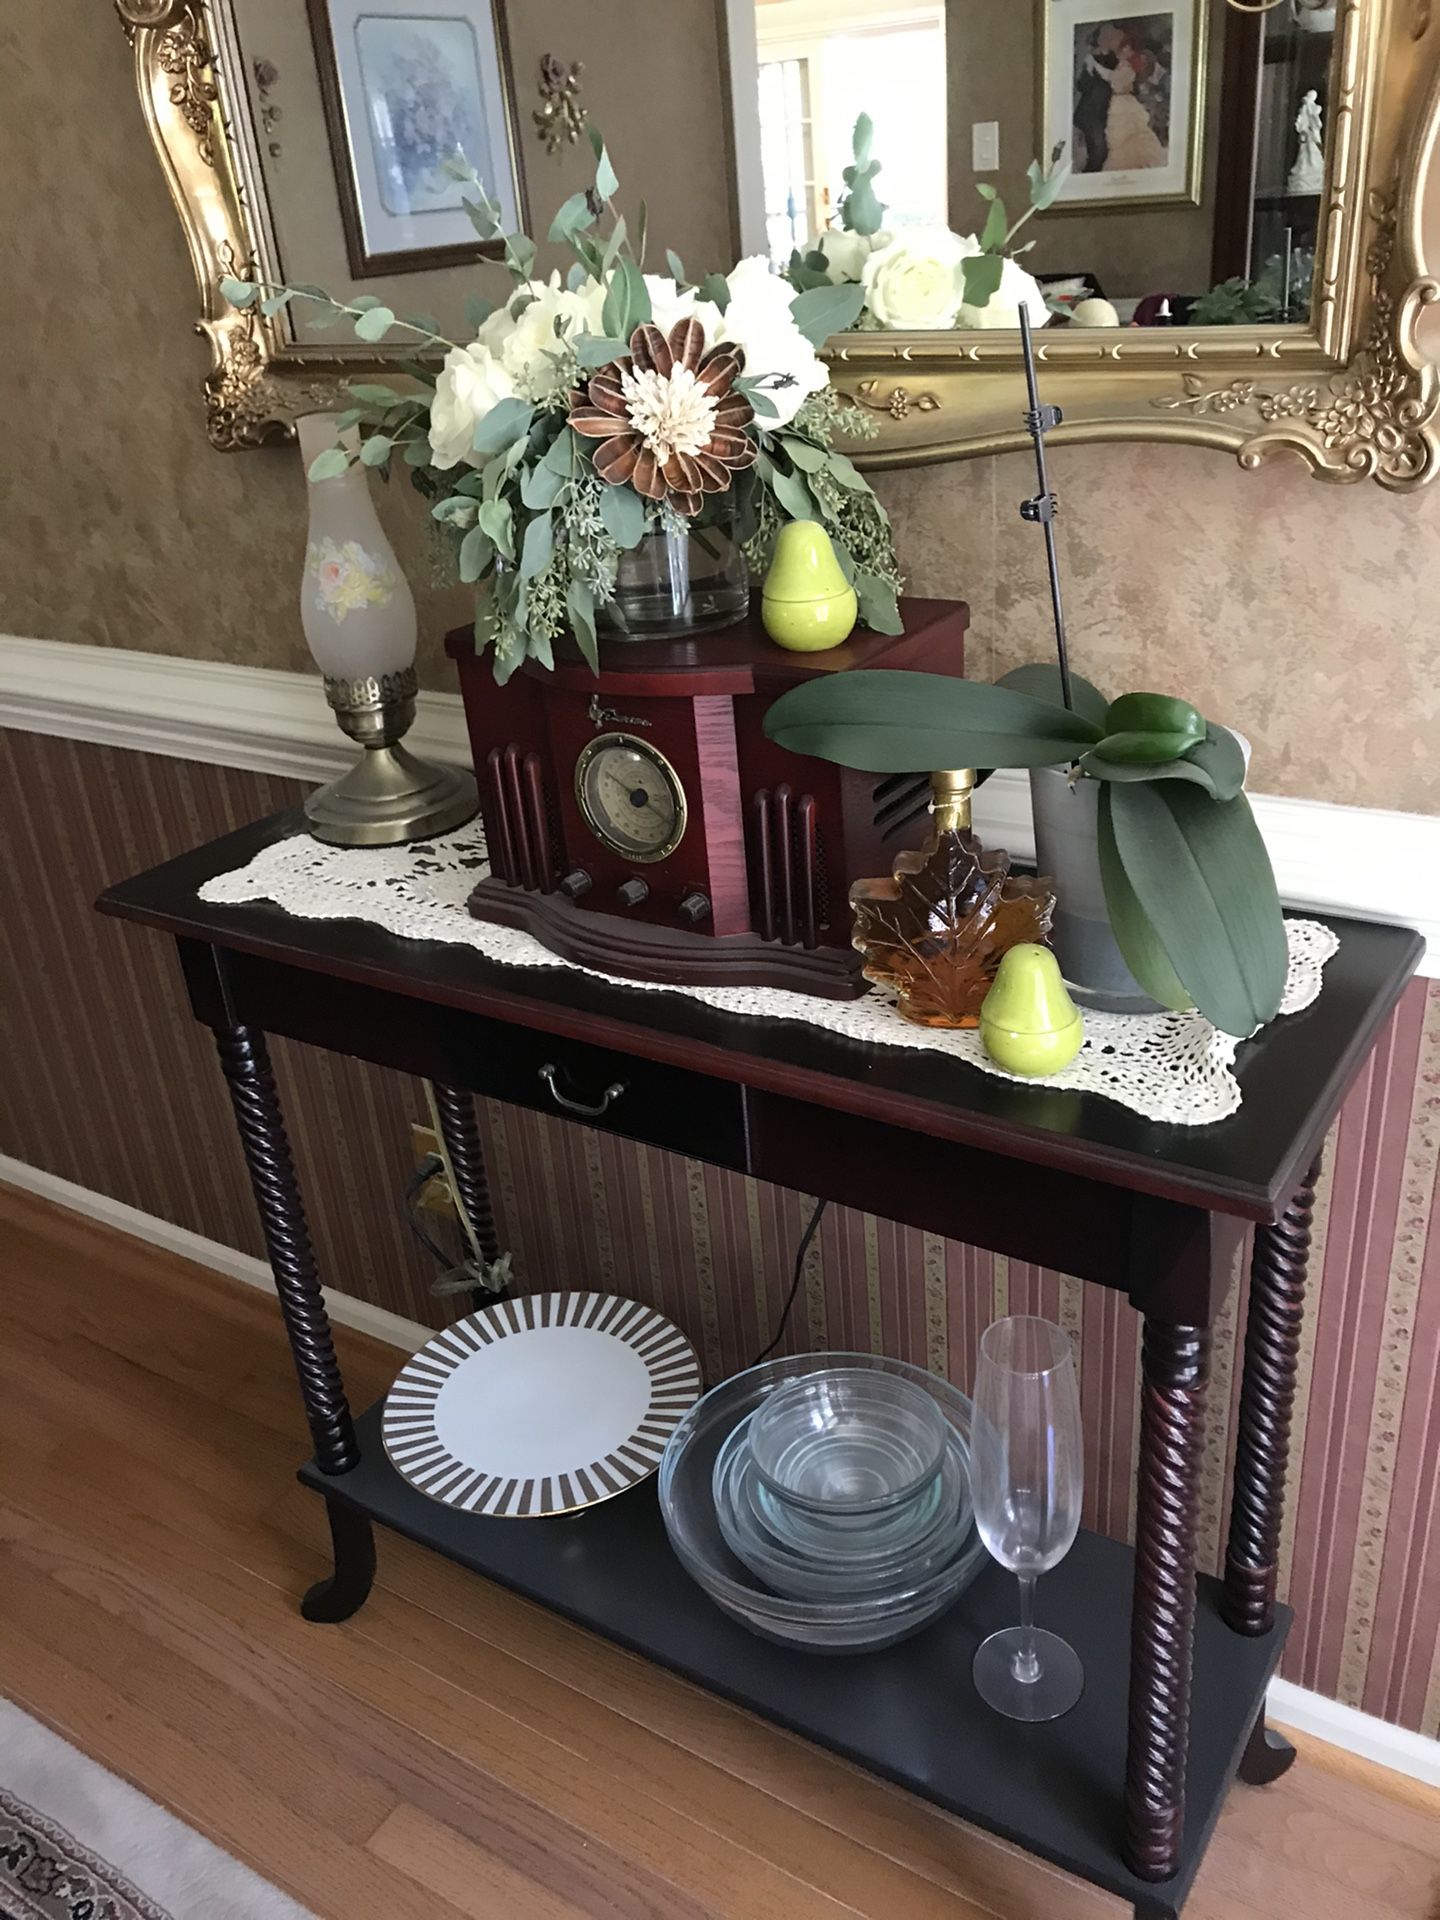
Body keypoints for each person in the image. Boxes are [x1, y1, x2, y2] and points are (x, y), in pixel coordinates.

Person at [1101, 36, 1166, 173]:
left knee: (1130, 134)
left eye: (1126, 48)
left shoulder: (1127, 67)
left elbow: (1114, 80)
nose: (1123, 51)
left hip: (1123, 102)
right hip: (1120, 101)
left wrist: (1096, 67)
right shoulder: (1123, 65)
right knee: (1122, 137)